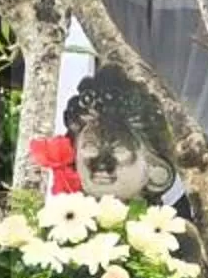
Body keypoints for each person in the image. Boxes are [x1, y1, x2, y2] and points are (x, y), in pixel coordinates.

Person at [62, 70, 180, 205]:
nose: (102, 164)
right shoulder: (52, 221)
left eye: (119, 150)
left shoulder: (168, 226)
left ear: (154, 168)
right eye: (91, 148)